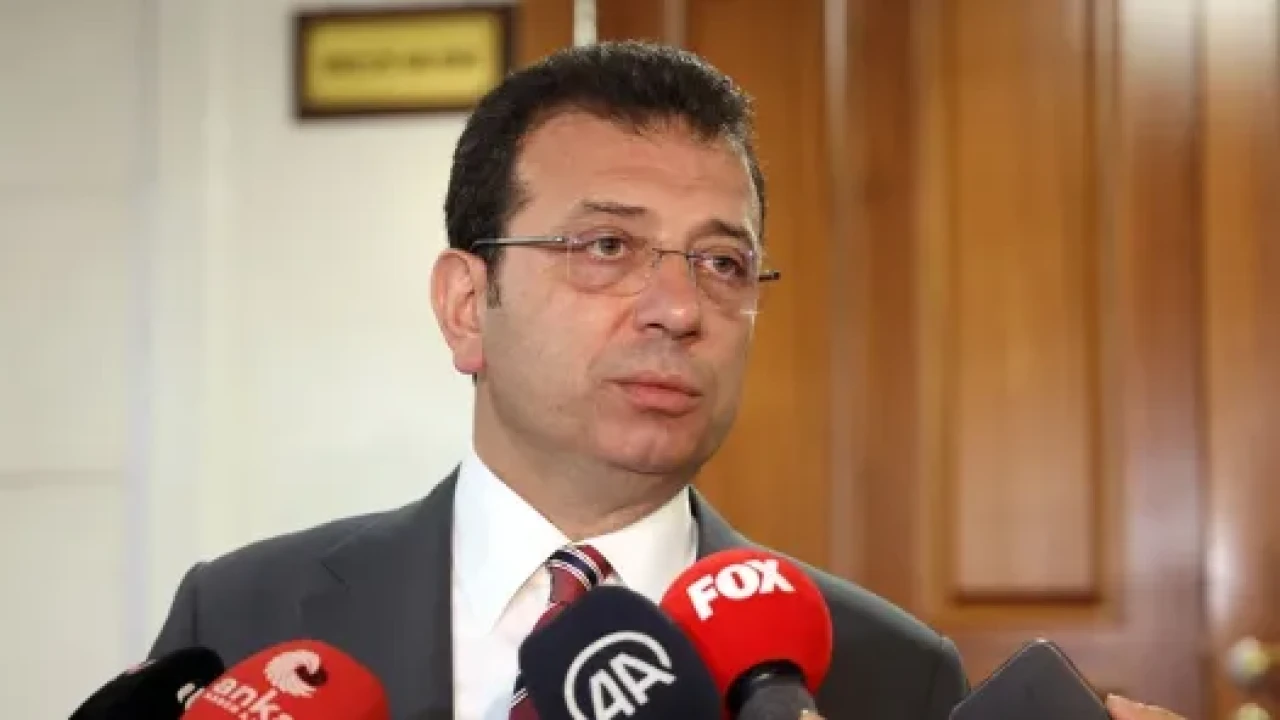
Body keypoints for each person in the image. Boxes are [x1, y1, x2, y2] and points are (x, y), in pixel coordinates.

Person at [147, 40, 1185, 720]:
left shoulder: (888, 669)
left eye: (722, 262)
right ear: (467, 305)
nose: (679, 308)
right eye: (606, 246)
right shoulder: (244, 619)